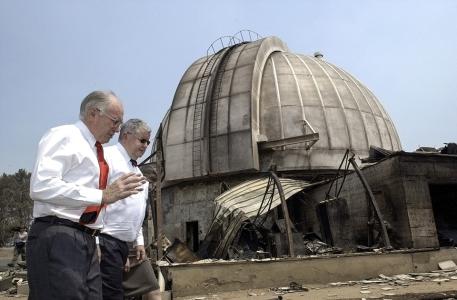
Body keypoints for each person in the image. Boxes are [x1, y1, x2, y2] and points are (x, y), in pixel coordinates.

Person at [27, 91, 146, 300]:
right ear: (93, 113)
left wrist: (94, 241)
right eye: (115, 121)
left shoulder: (96, 151)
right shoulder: (64, 136)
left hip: (86, 240)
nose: (118, 129)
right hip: (59, 235)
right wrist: (102, 195)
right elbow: (41, 185)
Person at [97, 119, 161, 300]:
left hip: (128, 245)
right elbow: (93, 199)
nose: (146, 146)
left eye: (148, 142)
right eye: (142, 141)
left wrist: (138, 241)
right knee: (112, 295)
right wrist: (95, 241)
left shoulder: (138, 172)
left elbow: (136, 212)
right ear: (126, 136)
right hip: (107, 241)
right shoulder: (106, 158)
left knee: (152, 289)